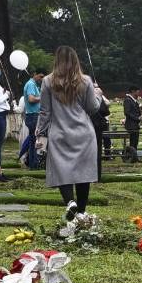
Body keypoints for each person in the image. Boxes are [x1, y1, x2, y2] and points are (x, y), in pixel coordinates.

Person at [37, 46, 104, 220]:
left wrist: (39, 132)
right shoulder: (86, 81)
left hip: (59, 132)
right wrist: (98, 95)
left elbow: (45, 111)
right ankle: (82, 211)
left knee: (61, 170)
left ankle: (69, 202)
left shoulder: (47, 81)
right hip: (83, 132)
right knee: (84, 172)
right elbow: (93, 108)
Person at [18, 68, 44, 169]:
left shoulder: (34, 84)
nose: (41, 79)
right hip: (33, 116)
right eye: (40, 76)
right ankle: (33, 164)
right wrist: (43, 96)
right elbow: (31, 99)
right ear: (34, 74)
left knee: (33, 141)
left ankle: (33, 163)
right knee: (33, 141)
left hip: (34, 115)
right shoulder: (31, 84)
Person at [92, 84, 112, 182]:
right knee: (96, 152)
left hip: (93, 126)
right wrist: (99, 96)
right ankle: (96, 176)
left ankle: (95, 176)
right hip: (96, 126)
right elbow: (105, 110)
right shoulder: (95, 97)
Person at [123, 85, 142, 162]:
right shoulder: (128, 100)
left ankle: (134, 157)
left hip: (135, 124)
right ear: (133, 91)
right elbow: (127, 112)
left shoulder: (134, 100)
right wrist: (137, 118)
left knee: (135, 142)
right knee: (133, 142)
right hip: (131, 124)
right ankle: (132, 157)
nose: (139, 92)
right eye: (138, 91)